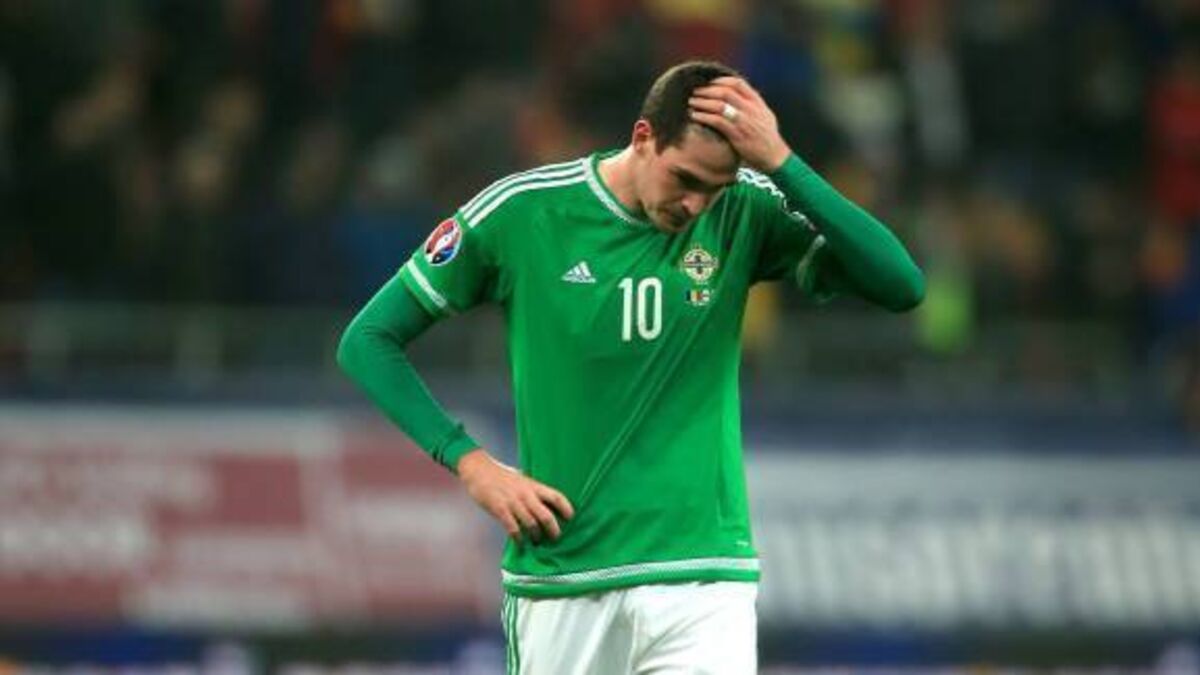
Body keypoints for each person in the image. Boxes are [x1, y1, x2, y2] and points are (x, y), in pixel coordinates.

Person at [337, 60, 924, 674]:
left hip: (701, 579)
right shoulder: (523, 212)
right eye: (685, 179)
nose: (696, 204)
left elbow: (901, 284)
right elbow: (368, 340)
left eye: (715, 187)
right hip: (564, 576)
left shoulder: (744, 209)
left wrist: (782, 163)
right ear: (643, 137)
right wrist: (469, 462)